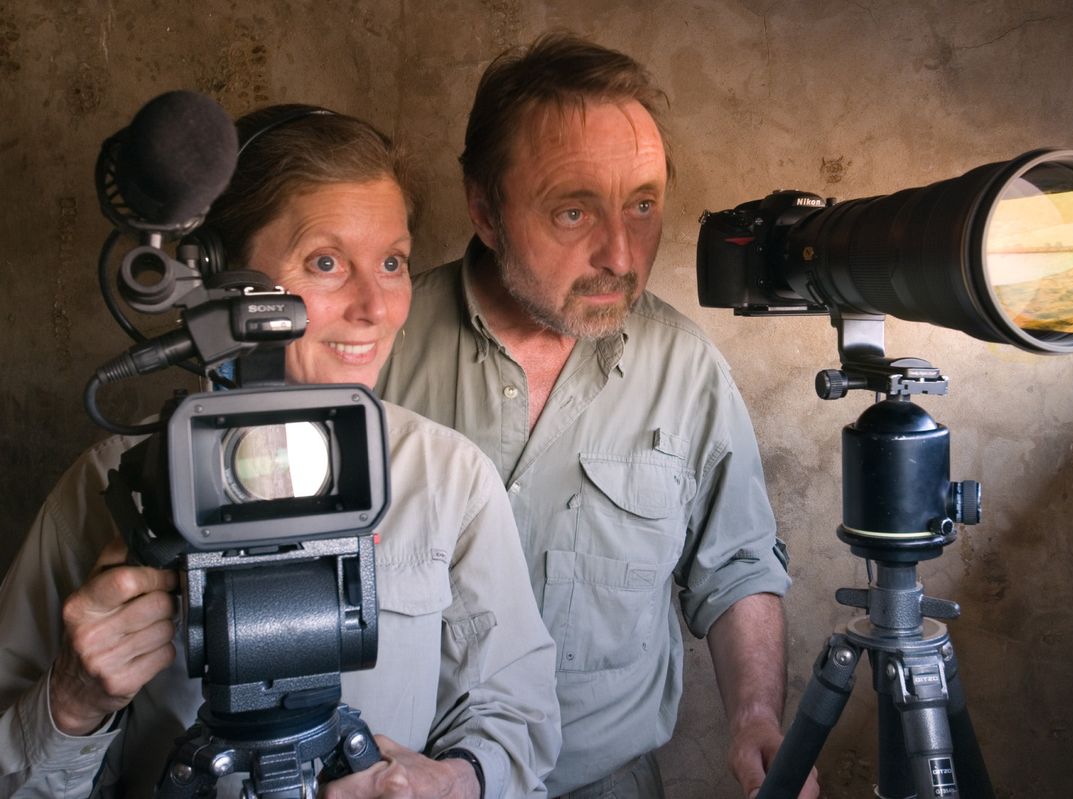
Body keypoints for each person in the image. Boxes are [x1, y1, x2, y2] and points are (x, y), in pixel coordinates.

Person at [0, 104, 560, 798]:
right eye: (325, 261)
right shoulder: (111, 485)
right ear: (220, 274)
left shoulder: (447, 477)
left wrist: (454, 780)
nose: (376, 305)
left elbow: (519, 718)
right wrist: (70, 703)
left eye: (391, 261)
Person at [376, 33, 819, 799]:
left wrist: (754, 717)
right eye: (574, 210)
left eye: (643, 205)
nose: (621, 252)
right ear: (485, 209)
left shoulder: (684, 368)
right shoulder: (371, 350)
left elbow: (737, 564)